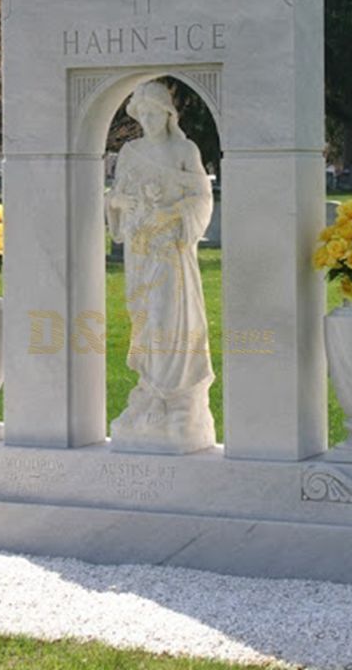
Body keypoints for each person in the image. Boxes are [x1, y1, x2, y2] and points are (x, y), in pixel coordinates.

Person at [106, 80, 215, 454]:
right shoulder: (130, 152)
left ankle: (177, 397)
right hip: (141, 249)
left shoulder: (184, 149)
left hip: (172, 248)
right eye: (143, 113)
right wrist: (124, 204)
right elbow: (115, 198)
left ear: (168, 114)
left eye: (155, 112)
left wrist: (173, 213)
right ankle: (150, 392)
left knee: (170, 314)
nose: (149, 119)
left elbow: (202, 196)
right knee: (146, 317)